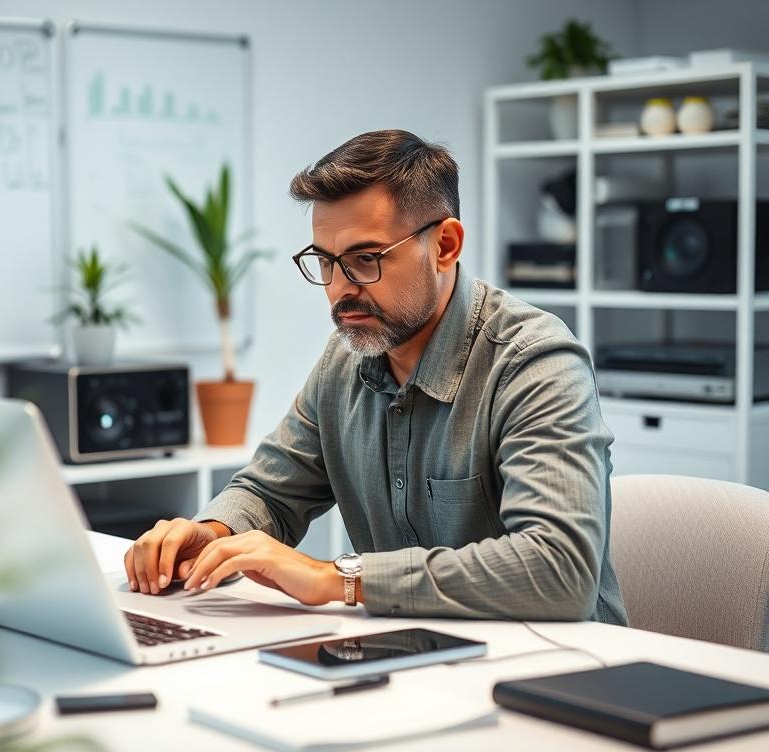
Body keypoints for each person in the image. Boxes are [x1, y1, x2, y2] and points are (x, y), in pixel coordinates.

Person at [123, 129, 627, 624]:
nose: (341, 289)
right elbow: (272, 492)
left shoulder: (534, 361)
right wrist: (212, 533)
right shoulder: (345, 361)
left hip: (561, 675)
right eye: (325, 262)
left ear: (445, 245)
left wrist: (341, 579)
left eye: (366, 259)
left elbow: (561, 571)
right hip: (416, 663)